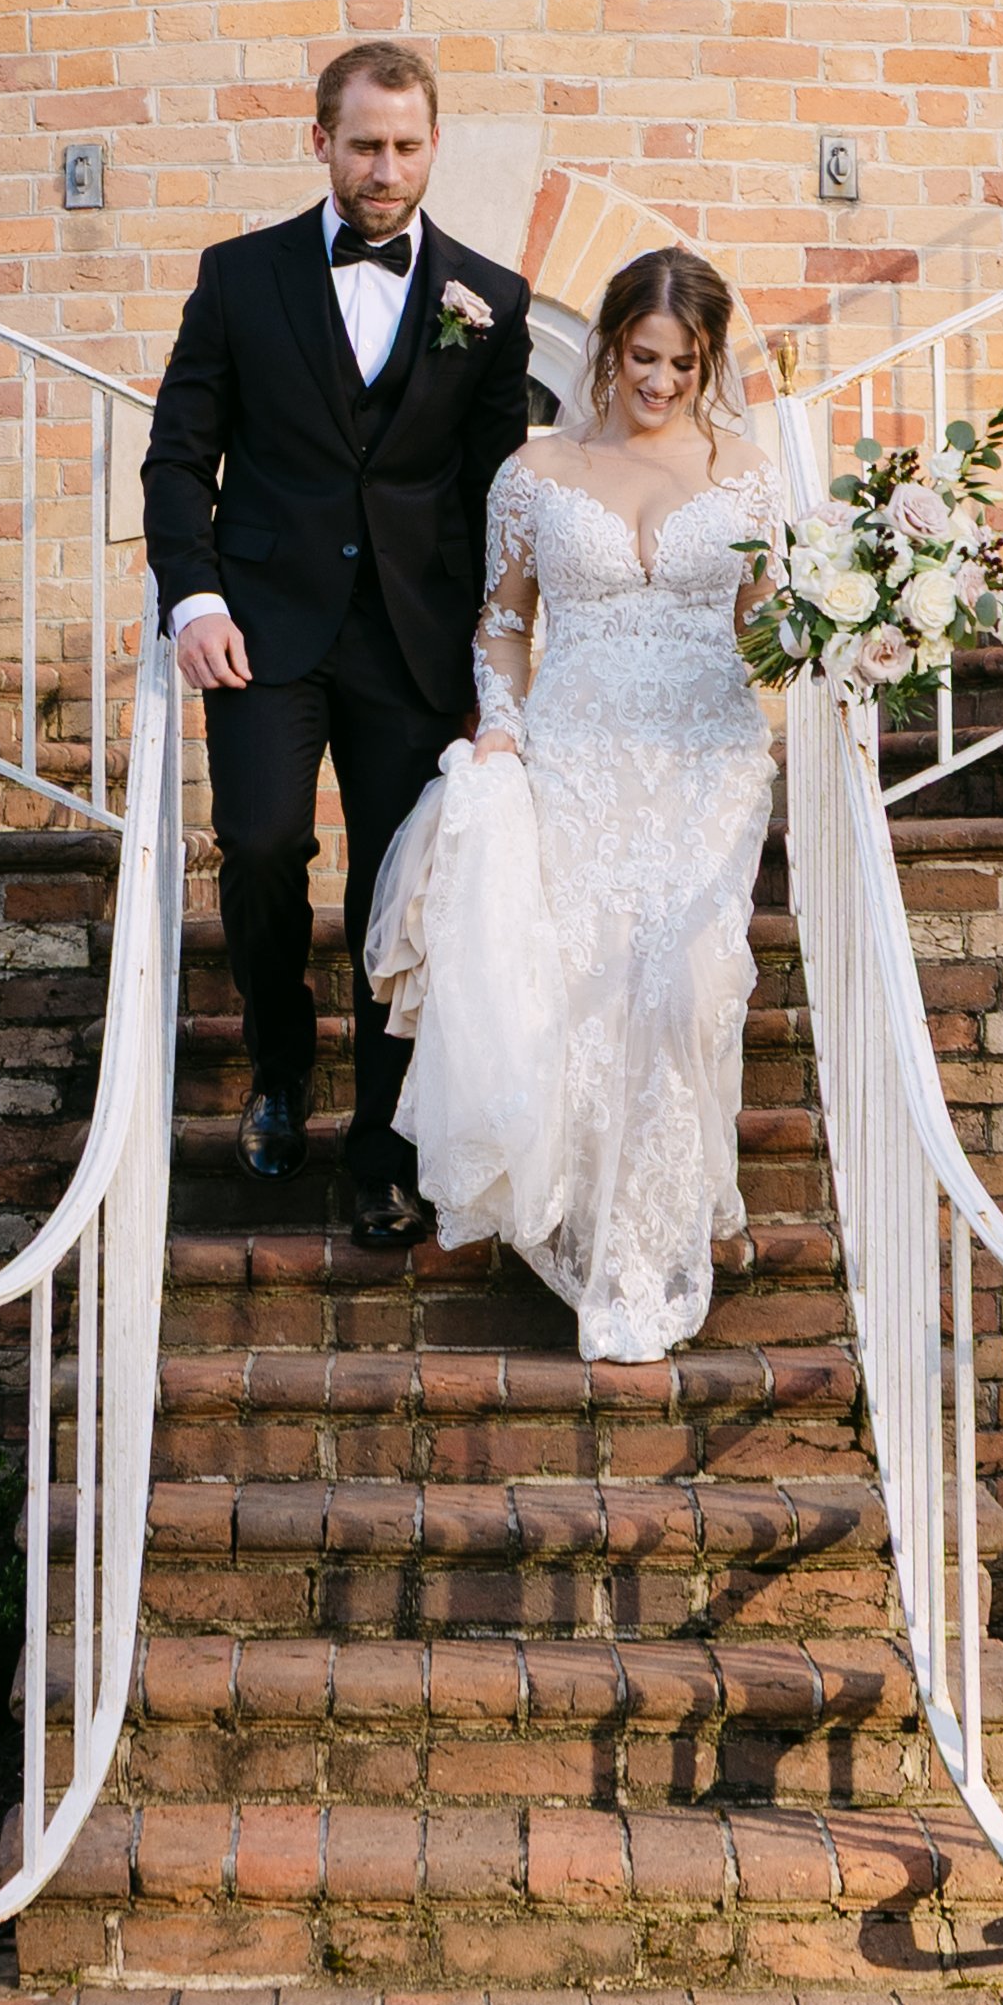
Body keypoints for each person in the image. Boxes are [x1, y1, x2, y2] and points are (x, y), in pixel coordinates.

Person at [140, 40, 532, 1249]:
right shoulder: (238, 278)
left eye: (407, 145)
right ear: (320, 140)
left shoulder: (491, 299)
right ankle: (275, 1055)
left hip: (413, 642)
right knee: (260, 843)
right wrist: (193, 598)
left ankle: (379, 1147)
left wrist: (493, 663)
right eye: (363, 143)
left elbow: (496, 495)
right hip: (259, 625)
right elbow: (174, 456)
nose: (385, 168)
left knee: (391, 890)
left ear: (431, 144)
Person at [383, 247, 782, 1360]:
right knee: (586, 984)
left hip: (708, 750)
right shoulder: (535, 469)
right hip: (573, 747)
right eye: (640, 355)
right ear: (607, 343)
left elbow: (769, 626)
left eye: (680, 362)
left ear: (706, 363)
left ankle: (666, 1225)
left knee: (687, 980)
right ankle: (609, 1239)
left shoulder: (746, 472)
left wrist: (837, 630)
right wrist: (498, 721)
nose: (656, 381)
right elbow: (502, 620)